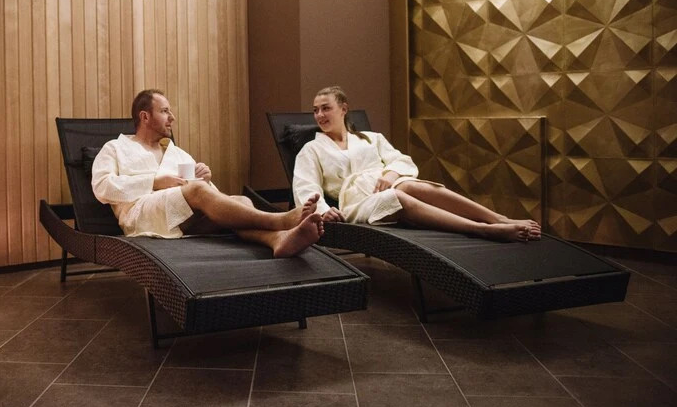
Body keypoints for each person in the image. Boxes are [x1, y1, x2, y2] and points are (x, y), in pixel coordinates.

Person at [293, 85, 542, 242]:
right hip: (357, 203)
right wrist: (323, 211)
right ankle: (481, 229)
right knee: (397, 197)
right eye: (315, 110)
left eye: (325, 108)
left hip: (388, 185)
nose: (319, 115)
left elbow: (402, 161)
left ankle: (498, 218)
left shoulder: (371, 138)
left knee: (410, 186)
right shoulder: (311, 149)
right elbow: (306, 187)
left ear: (344, 109)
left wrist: (391, 174)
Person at [92, 89, 324, 257]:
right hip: (141, 217)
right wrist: (154, 182)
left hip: (182, 219)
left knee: (241, 201)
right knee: (199, 190)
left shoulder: (176, 153)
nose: (172, 117)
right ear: (145, 116)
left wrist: (205, 181)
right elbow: (102, 187)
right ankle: (279, 221)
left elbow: (208, 197)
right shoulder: (116, 148)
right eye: (164, 111)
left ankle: (277, 240)